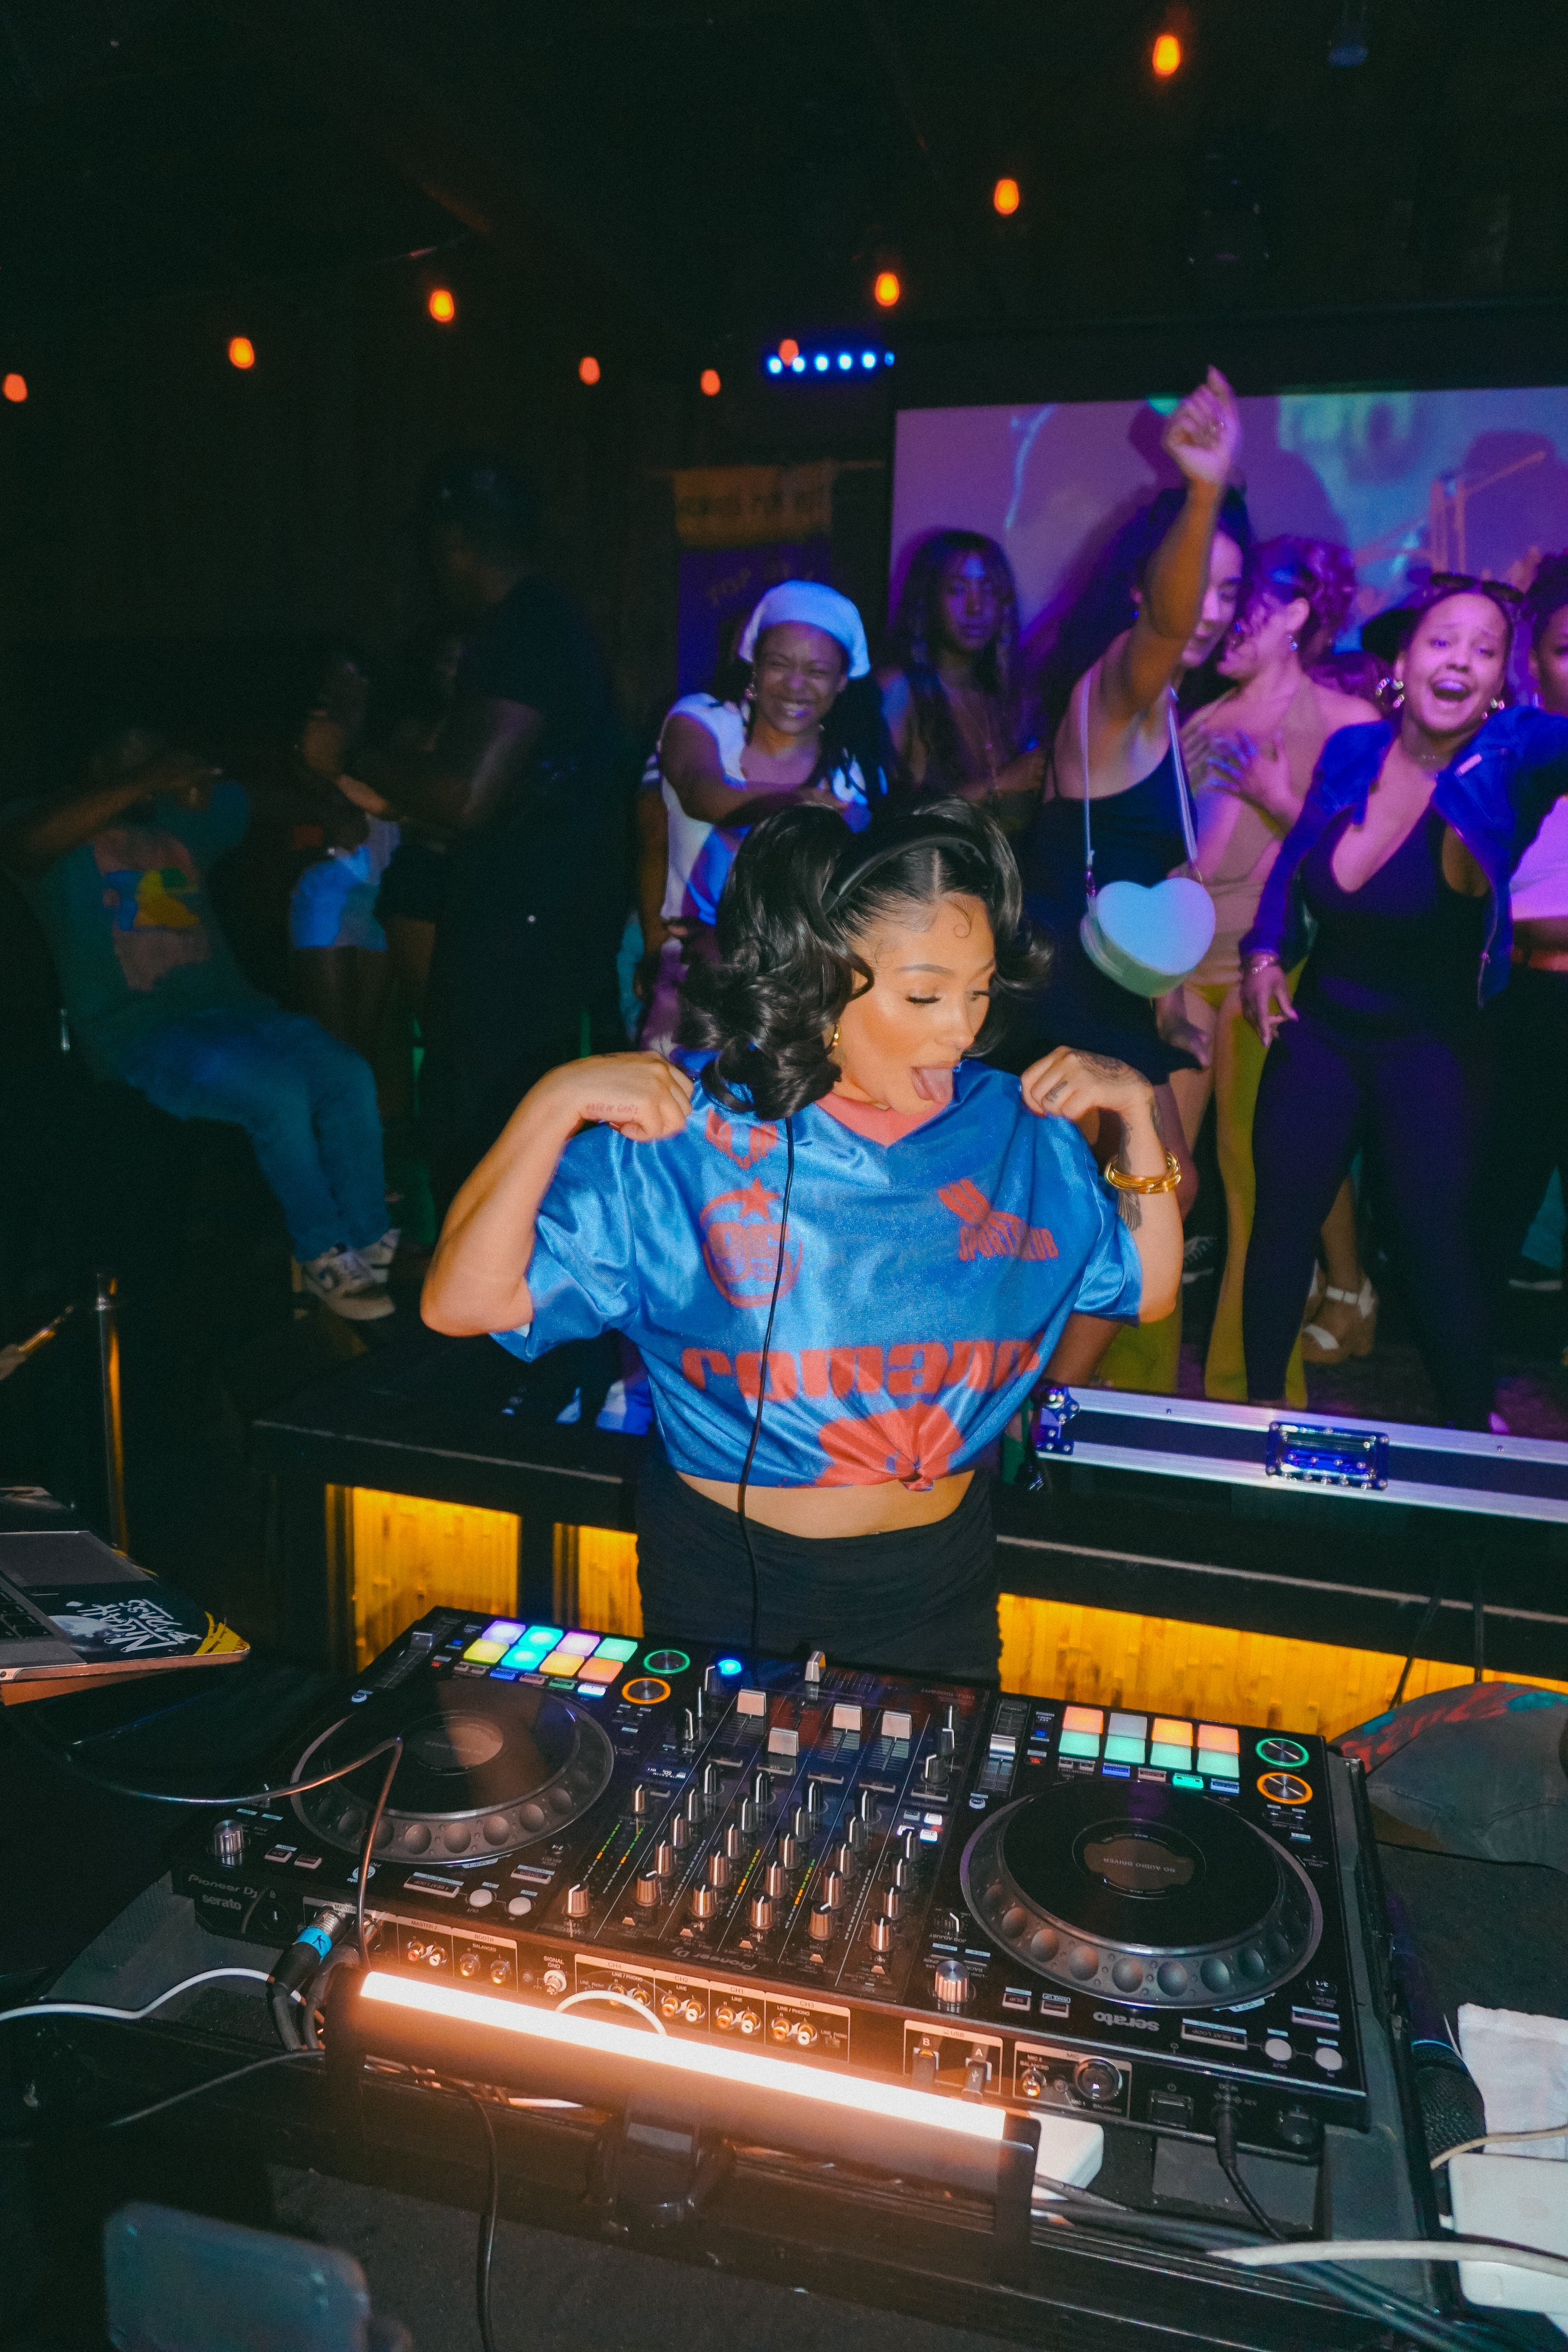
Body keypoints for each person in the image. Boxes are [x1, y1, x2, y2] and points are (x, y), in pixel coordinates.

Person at [421, 800, 1180, 1677]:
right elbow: (461, 1305)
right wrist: (551, 1105)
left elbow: (1146, 1287)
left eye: (978, 991)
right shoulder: (686, 1139)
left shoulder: (1015, 1126)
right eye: (925, 994)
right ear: (822, 983)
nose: (964, 1029)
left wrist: (1136, 1114)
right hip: (730, 1579)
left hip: (940, 1581)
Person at [1239, 581, 1568, 1428]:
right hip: (1320, 1033)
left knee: (1432, 1246)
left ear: (1501, 682)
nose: (1459, 660)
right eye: (1442, 640)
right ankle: (1259, 1423)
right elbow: (1294, 861)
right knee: (1280, 1227)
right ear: (1403, 660)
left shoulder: (1513, 756)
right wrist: (1265, 952)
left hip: (1432, 1049)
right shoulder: (1352, 751)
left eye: (1484, 649)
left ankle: (1472, 1430)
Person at [308, 453, 627, 1214]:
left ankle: (486, 1282)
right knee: (499, 1120)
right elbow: (515, 795)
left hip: (525, 921)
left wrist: (349, 750)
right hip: (541, 910)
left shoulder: (523, 626)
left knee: (487, 1128)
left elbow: (467, 796)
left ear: (453, 544)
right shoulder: (543, 620)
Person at [1014, 368, 1247, 1392]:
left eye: (1232, 591)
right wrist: (1203, 491)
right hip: (1061, 994)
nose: (1212, 609)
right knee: (1126, 1201)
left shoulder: (1162, 719)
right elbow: (1166, 626)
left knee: (1146, 1197)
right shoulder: (1119, 684)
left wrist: (1163, 1008)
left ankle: (1032, 1405)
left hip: (1104, 997)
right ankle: (1025, 1408)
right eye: (1201, 582)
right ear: (1144, 583)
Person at [0, 727, 396, 1319]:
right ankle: (320, 1252)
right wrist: (144, 778)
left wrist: (327, 803)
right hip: (138, 1028)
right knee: (276, 1091)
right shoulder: (45, 821)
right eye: (136, 749)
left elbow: (266, 802)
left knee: (347, 1073)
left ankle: (370, 1238)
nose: (155, 762)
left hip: (237, 1010)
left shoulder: (178, 822)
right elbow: (23, 847)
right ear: (96, 759)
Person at [1173, 538, 1384, 1398]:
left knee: (1257, 1184)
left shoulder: (1345, 720)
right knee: (1155, 1178)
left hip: (1272, 970)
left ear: (1297, 612)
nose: (1223, 619)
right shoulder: (1199, 720)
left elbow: (1369, 861)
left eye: (1244, 601)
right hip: (1182, 967)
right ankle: (1128, 1384)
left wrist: (1278, 798)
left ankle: (1246, 1391)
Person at [642, 581, 893, 1053]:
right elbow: (699, 793)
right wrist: (801, 803)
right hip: (691, 976)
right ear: (754, 664)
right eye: (779, 664)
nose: (795, 685)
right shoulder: (702, 720)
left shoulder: (853, 775)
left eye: (817, 671)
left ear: (842, 681)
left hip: (797, 989)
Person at [1476, 554, 1568, 1339]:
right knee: (1496, 1200)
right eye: (1566, 650)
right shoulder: (1504, 752)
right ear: (1533, 661)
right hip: (1522, 1004)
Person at [879, 531, 1044, 823]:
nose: (975, 607)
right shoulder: (899, 689)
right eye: (957, 590)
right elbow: (885, 822)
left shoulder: (1005, 697)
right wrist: (999, 784)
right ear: (928, 597)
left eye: (988, 590)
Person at [287, 652, 400, 1068]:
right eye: (337, 682)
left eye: (357, 679)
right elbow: (313, 815)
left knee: (369, 1048)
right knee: (335, 1050)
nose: (346, 691)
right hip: (332, 894)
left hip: (386, 895)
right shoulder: (315, 742)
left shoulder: (394, 741)